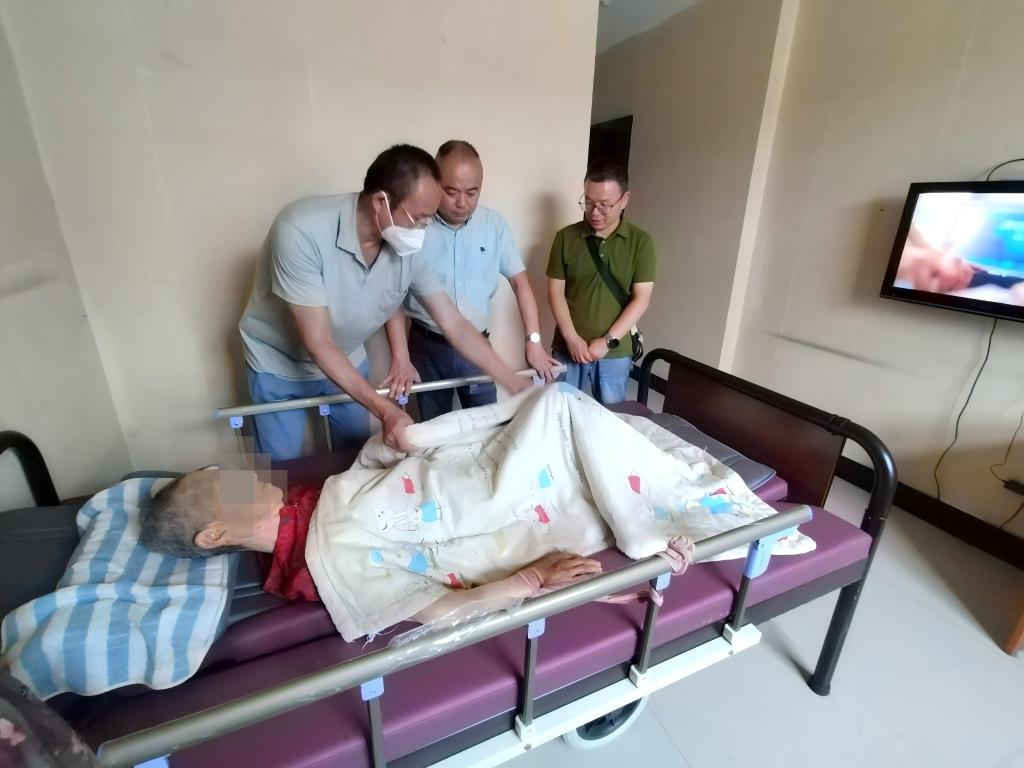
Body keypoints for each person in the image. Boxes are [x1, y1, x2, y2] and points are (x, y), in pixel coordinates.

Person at [238, 144, 531, 461]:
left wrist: (512, 380)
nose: (424, 229)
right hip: (280, 366)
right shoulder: (300, 230)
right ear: (381, 203)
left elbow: (455, 325)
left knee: (357, 459)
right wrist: (386, 410)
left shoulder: (409, 247)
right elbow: (318, 343)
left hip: (346, 359)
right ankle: (244, 491)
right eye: (419, 218)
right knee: (278, 470)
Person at [140, 467, 602, 616]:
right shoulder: (315, 567)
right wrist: (531, 579)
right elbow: (436, 610)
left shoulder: (295, 498)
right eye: (224, 487)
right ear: (216, 535)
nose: (243, 475)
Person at [385, 140, 558, 420]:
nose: (461, 203)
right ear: (435, 183)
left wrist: (534, 340)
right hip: (427, 346)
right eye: (451, 191)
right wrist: (400, 357)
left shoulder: (494, 225)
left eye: (471, 192)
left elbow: (521, 283)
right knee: (434, 427)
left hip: (477, 348)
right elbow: (392, 294)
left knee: (487, 424)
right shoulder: (414, 225)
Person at [546, 158, 655, 404]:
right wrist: (571, 338)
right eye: (588, 202)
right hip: (567, 348)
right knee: (561, 413)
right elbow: (555, 292)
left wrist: (607, 342)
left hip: (615, 353)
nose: (595, 212)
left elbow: (641, 300)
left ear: (624, 199)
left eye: (605, 205)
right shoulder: (565, 238)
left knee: (609, 417)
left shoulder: (641, 243)